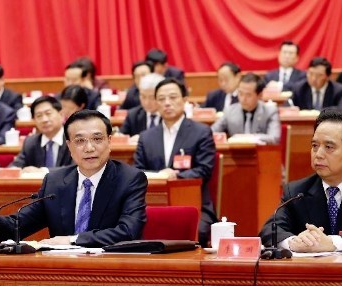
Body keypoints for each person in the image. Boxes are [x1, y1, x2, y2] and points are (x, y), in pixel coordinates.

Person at [0, 110, 148, 247]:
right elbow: (17, 228)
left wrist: (71, 240)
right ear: (69, 146)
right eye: (80, 141)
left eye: (97, 139)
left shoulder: (130, 179)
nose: (89, 148)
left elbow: (128, 232)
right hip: (62, 268)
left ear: (110, 141)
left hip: (111, 269)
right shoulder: (55, 182)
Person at [259, 109, 342, 252]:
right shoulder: (296, 191)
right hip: (310, 272)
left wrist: (331, 243)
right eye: (315, 146)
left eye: (329, 147)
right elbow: (269, 230)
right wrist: (294, 242)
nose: (318, 154)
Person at [133, 78, 217, 247]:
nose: (167, 103)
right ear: (156, 103)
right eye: (162, 99)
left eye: (173, 97)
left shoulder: (201, 132)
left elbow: (204, 169)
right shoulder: (146, 137)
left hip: (193, 203)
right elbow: (137, 171)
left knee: (196, 232)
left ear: (185, 100)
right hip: (153, 205)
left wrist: (176, 175)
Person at [211, 73, 281, 145]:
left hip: (261, 154)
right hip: (235, 154)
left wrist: (250, 138)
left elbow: (274, 138)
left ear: (259, 95)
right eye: (240, 94)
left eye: (248, 95)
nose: (243, 99)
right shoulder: (229, 111)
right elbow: (212, 132)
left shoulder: (270, 111)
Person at [10, 96, 73, 171]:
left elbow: (76, 168)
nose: (44, 119)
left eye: (48, 113)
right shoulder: (30, 143)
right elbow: (15, 167)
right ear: (34, 120)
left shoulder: (73, 139)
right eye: (39, 116)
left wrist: (43, 171)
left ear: (61, 115)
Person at [120, 73, 164, 137]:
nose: (147, 102)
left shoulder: (169, 114)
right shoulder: (133, 115)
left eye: (152, 98)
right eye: (143, 96)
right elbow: (122, 136)